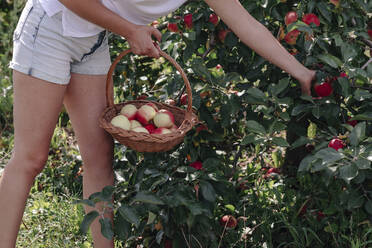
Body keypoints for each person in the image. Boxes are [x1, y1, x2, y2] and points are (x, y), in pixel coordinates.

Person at [0, 0, 316, 247]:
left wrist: (301, 72)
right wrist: (129, 30)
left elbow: (245, 22)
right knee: (31, 157)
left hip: (92, 38)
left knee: (100, 159)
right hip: (50, 26)